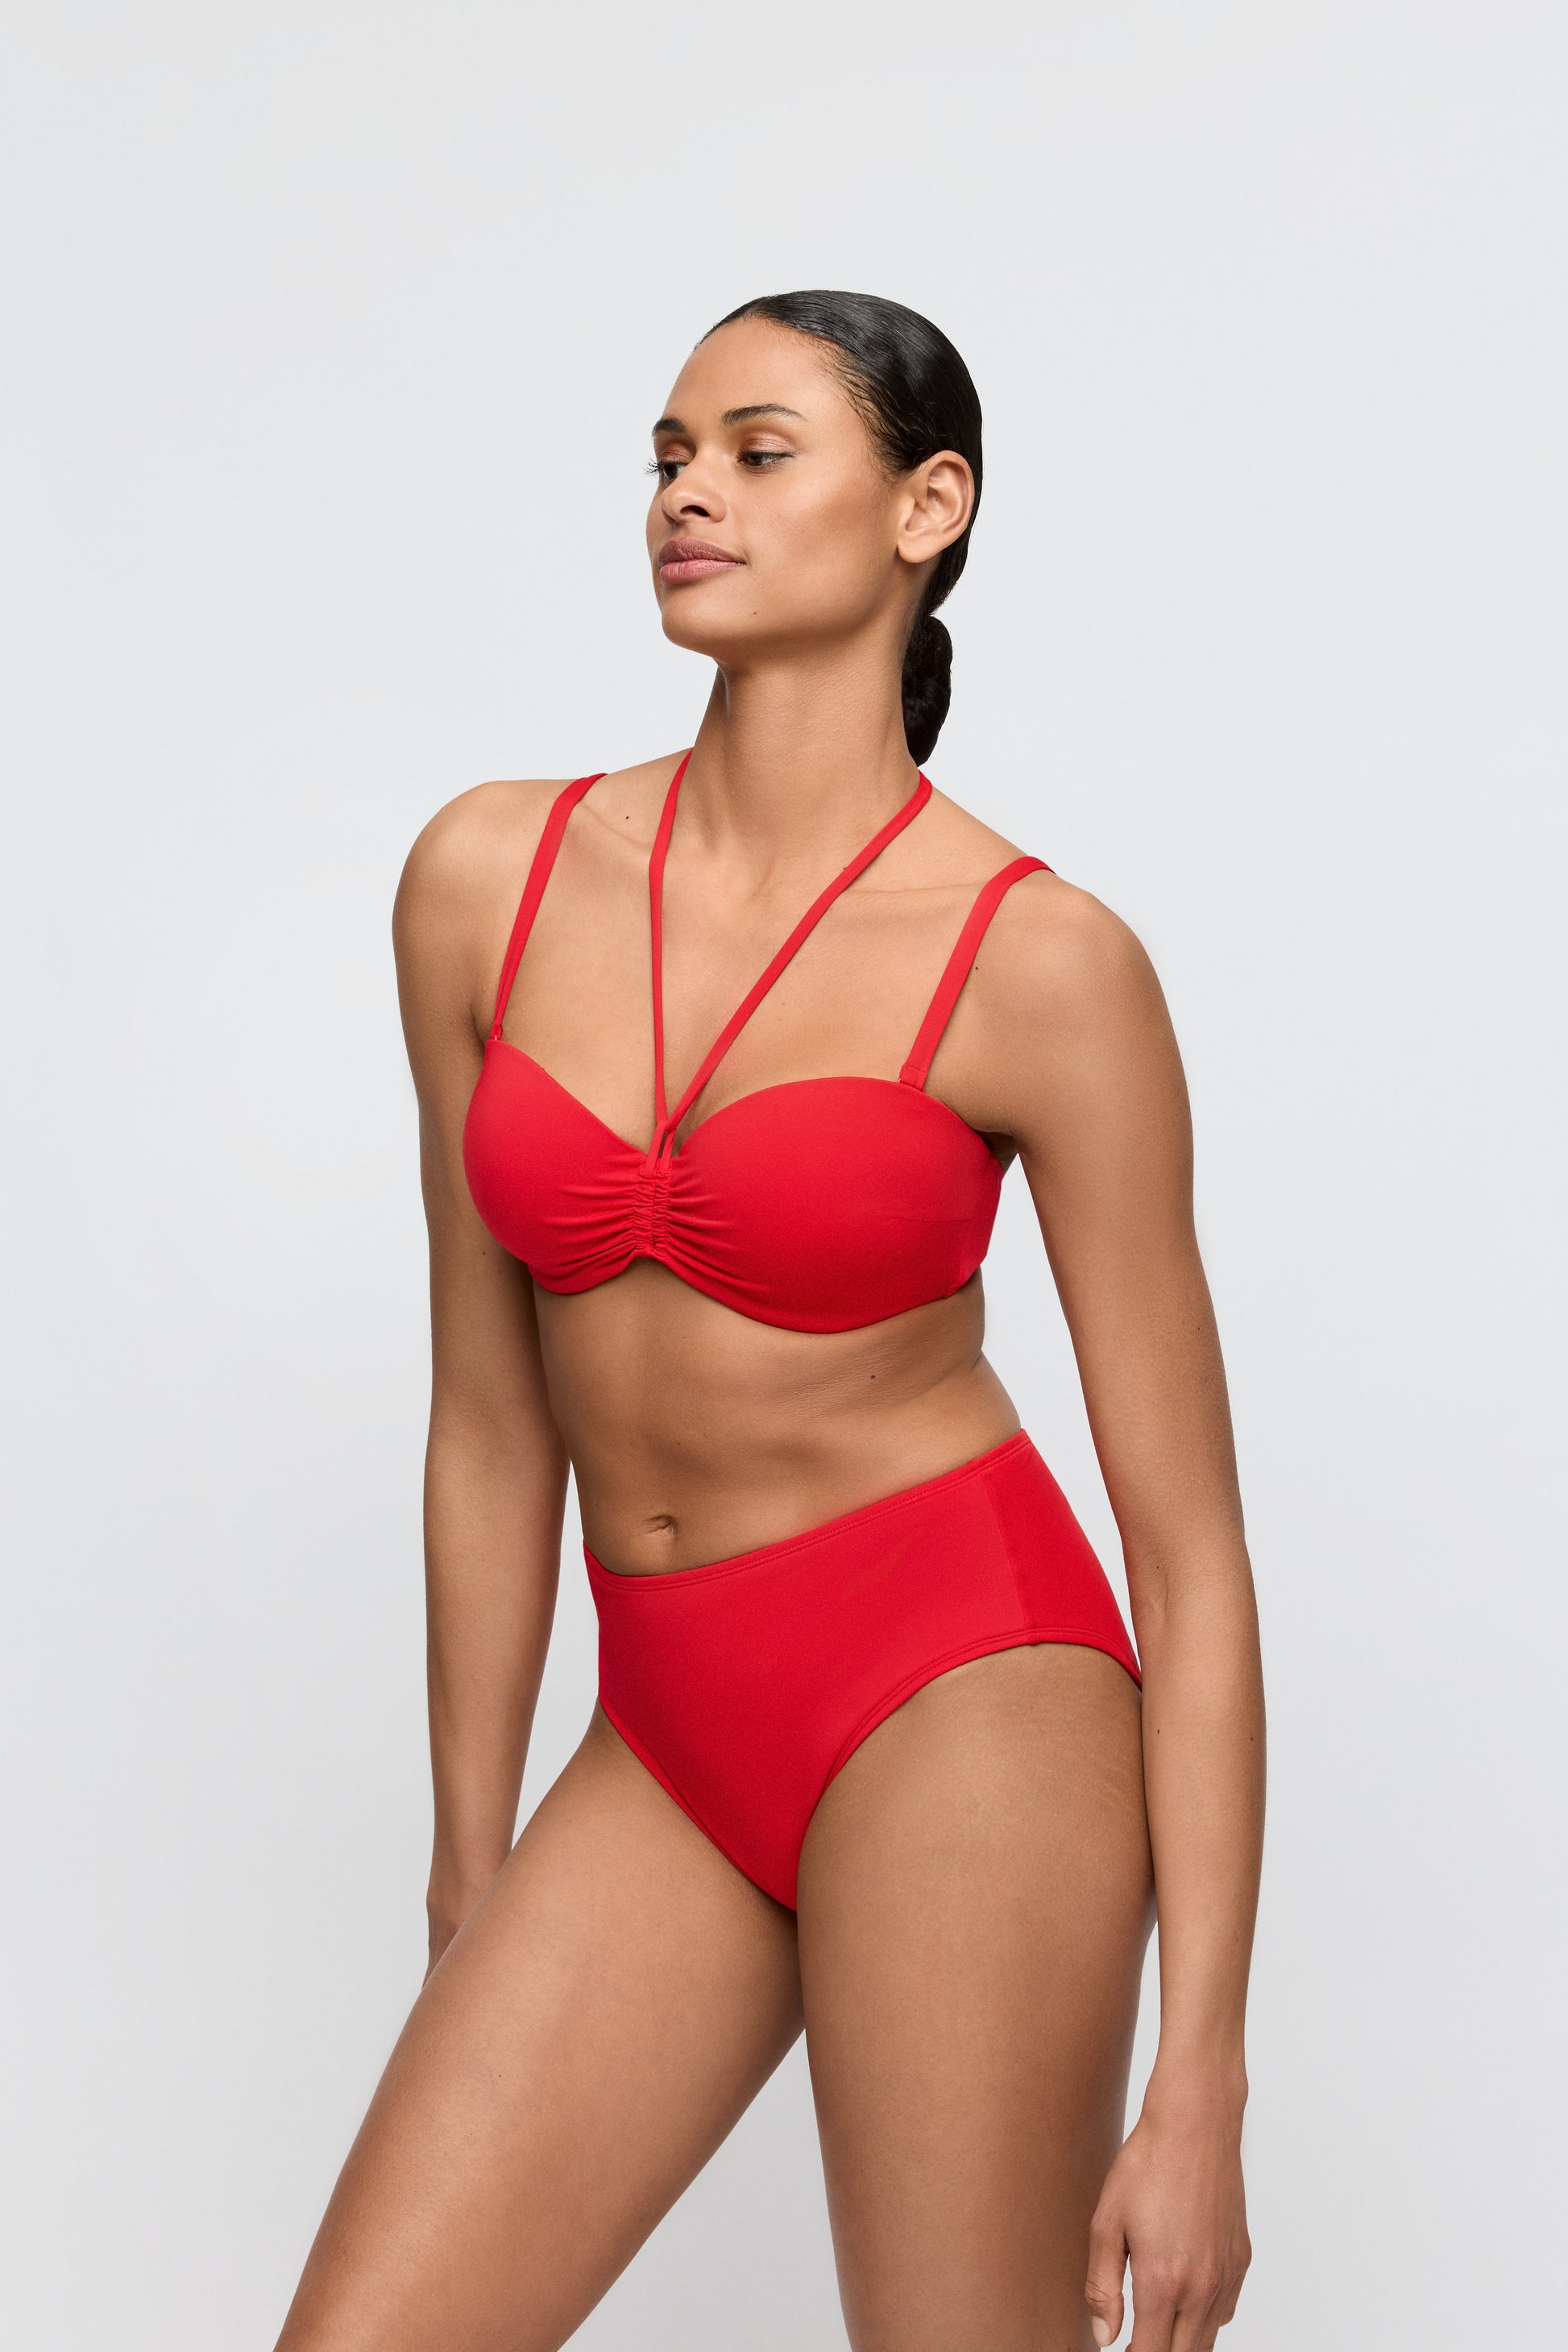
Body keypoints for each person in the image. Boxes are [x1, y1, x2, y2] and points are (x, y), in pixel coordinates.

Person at [274, 289, 1264, 2352]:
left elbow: (1188, 1551)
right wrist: (467, 1857)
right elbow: (488, 1419)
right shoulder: (486, 874)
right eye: (665, 456)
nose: (687, 495)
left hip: (963, 1694)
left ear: (927, 506)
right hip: (664, 1719)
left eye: (755, 449)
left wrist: (1200, 2083)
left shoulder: (1042, 961)